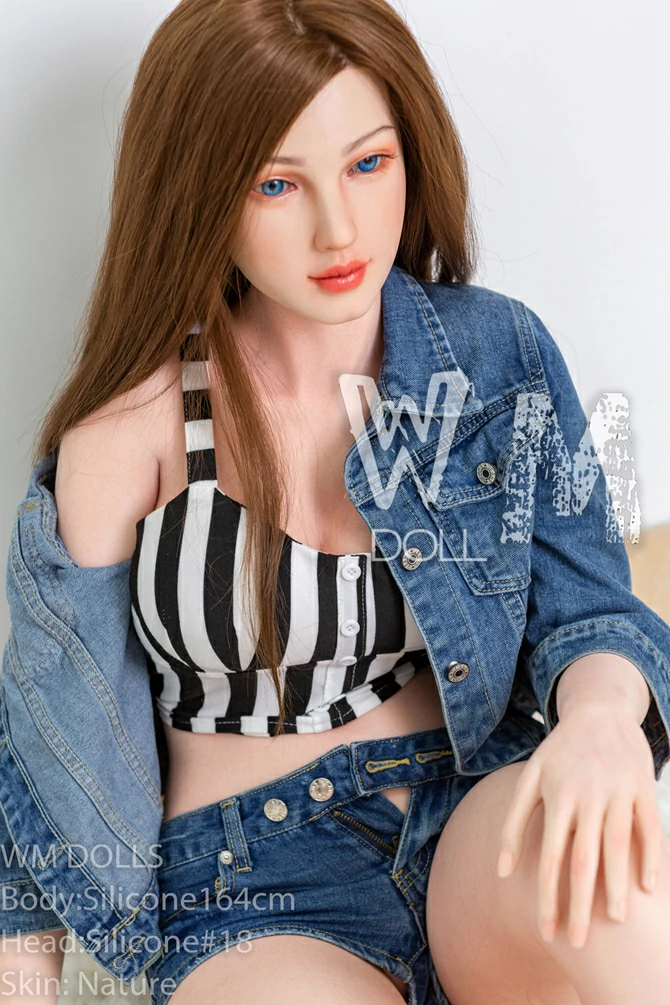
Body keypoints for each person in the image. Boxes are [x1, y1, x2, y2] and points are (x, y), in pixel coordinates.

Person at [2, 2, 670, 1004]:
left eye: (368, 163)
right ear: (201, 191)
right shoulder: (127, 438)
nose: (339, 229)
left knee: (623, 900)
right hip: (251, 885)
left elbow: (591, 611)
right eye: (277, 183)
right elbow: (43, 752)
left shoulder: (496, 357)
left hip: (471, 815)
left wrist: (603, 720)